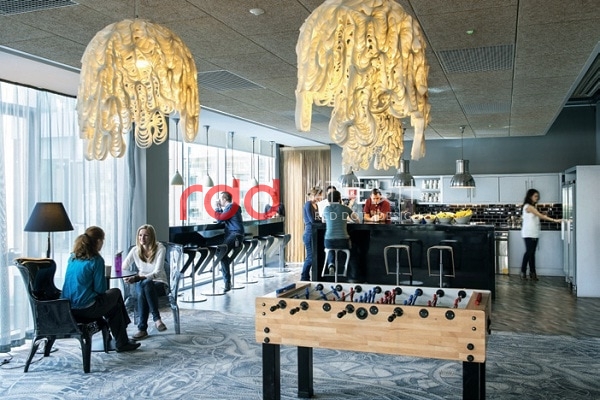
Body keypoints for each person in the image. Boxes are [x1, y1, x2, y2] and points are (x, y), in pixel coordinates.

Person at [61, 226, 140, 352]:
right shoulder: (96, 260)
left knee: (114, 305)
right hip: (87, 309)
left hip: (68, 308)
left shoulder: (72, 258)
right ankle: (122, 340)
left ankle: (122, 340)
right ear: (98, 241)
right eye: (103, 240)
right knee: (116, 293)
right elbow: (100, 290)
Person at [122, 224, 168, 340]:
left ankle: (142, 329)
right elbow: (123, 267)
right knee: (145, 285)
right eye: (140, 235)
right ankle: (157, 319)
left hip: (159, 283)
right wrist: (124, 276)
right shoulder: (135, 250)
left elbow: (157, 272)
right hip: (143, 284)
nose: (142, 238)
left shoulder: (160, 248)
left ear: (152, 237)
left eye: (146, 235)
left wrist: (138, 278)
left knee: (146, 284)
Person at [520, 188, 561, 281]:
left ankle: (532, 273)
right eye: (535, 196)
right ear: (530, 196)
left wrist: (542, 214)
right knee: (529, 252)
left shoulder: (533, 207)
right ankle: (523, 272)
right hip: (528, 233)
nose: (537, 198)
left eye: (537, 196)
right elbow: (540, 216)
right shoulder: (528, 207)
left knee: (532, 253)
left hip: (534, 233)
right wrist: (555, 220)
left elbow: (537, 215)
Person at [215, 191, 245, 292]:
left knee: (220, 253)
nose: (219, 201)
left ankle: (227, 282)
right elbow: (223, 218)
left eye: (220, 199)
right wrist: (220, 209)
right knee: (221, 253)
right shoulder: (235, 207)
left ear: (224, 199)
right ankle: (226, 264)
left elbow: (220, 219)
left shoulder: (230, 207)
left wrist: (217, 208)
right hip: (239, 235)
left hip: (234, 234)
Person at [323, 190, 360, 273]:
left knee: (330, 248)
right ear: (339, 199)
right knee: (354, 249)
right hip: (343, 241)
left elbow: (323, 221)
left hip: (329, 240)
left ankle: (331, 264)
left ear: (328, 200)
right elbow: (357, 220)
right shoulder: (345, 208)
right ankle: (352, 273)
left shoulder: (326, 209)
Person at [301, 187, 323, 281]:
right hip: (309, 233)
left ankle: (310, 277)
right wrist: (322, 221)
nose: (320, 197)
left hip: (314, 233)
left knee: (314, 256)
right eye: (319, 195)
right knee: (310, 257)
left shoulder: (316, 205)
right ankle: (304, 277)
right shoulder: (308, 204)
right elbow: (312, 220)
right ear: (314, 195)